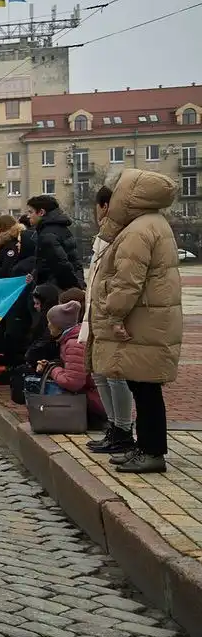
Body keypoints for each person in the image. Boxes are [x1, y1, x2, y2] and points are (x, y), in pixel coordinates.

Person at [88, 169, 183, 474]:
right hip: (150, 317)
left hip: (141, 320)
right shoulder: (153, 223)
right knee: (142, 387)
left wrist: (115, 314)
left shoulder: (138, 230)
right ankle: (145, 447)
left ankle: (152, 451)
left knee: (145, 389)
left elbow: (128, 280)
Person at [81, 185, 135, 456]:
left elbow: (123, 279)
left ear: (104, 206)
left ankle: (122, 430)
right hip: (97, 312)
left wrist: (115, 314)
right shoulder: (104, 236)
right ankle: (114, 426)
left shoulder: (121, 235)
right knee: (99, 371)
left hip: (109, 312)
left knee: (114, 374)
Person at [40, 300, 107, 429]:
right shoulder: (71, 339)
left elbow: (73, 382)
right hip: (94, 398)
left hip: (95, 404)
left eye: (50, 322)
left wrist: (52, 369)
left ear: (59, 325)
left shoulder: (74, 344)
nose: (48, 325)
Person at [26, 194, 84, 289]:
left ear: (41, 212)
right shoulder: (61, 228)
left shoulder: (47, 234)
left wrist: (74, 287)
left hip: (54, 289)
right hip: (65, 287)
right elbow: (75, 261)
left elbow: (61, 265)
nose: (28, 216)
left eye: (30, 212)